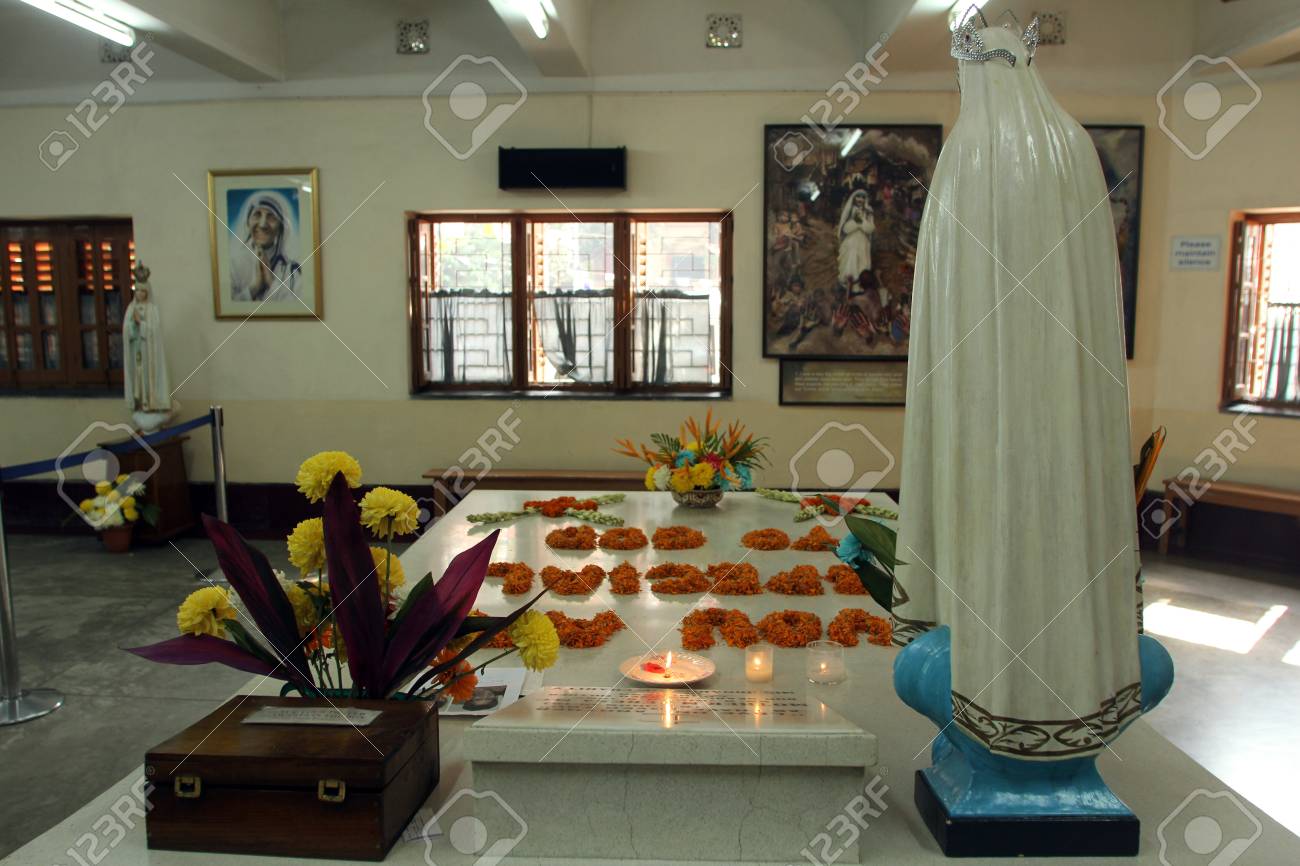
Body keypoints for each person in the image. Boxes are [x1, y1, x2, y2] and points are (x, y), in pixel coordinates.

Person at [123, 262, 174, 431]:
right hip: (137, 351)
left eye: (143, 291)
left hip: (149, 353)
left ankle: (151, 402)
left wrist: (142, 324)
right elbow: (126, 332)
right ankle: (141, 404)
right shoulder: (131, 309)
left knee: (148, 378)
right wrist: (132, 326)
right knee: (138, 378)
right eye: (137, 291)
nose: (140, 294)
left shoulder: (152, 310)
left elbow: (154, 333)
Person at [229, 190, 302, 302]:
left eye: (271, 217)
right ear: (248, 222)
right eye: (257, 215)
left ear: (281, 229)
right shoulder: (233, 266)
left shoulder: (292, 271)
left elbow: (300, 310)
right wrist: (254, 288)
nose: (263, 224)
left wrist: (271, 283)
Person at [836, 190, 875, 291]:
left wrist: (862, 222)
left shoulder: (868, 211)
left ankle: (860, 286)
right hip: (851, 240)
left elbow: (870, 228)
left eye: (862, 198)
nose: (860, 200)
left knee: (862, 261)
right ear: (854, 198)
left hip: (863, 241)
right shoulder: (850, 210)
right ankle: (848, 285)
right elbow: (845, 228)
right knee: (851, 259)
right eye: (858, 197)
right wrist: (855, 222)